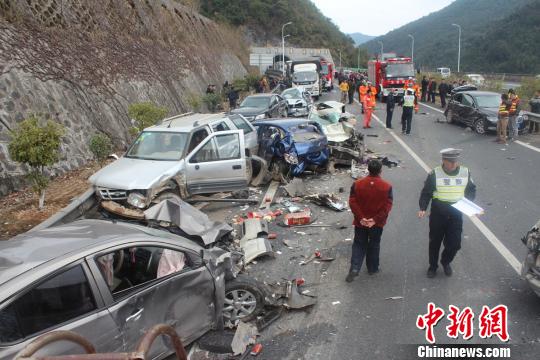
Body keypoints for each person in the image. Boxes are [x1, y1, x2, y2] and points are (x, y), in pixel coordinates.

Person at [418, 148, 476, 278]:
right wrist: (423, 208)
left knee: (455, 244)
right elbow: (426, 192)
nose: (454, 164)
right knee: (435, 242)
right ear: (444, 161)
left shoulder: (465, 172)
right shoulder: (434, 173)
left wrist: (469, 204)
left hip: (456, 214)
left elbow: (471, 190)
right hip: (438, 213)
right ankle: (433, 266)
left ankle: (445, 261)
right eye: (451, 162)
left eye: (455, 161)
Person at [346, 159, 393, 282]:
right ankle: (372, 268)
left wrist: (361, 218)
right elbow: (387, 206)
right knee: (374, 244)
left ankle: (355, 268)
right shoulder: (387, 187)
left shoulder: (357, 184)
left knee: (359, 244)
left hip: (360, 222)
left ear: (368, 169)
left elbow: (352, 202)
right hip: (377, 224)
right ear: (380, 171)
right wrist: (374, 219)